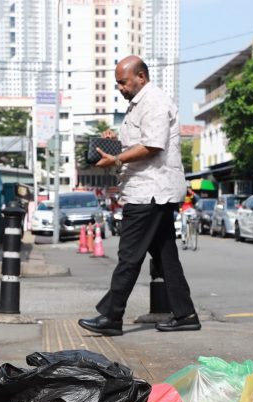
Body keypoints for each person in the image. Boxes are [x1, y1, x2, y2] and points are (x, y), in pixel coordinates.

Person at [78, 55, 200, 337]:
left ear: (141, 77)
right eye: (117, 83)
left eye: (123, 82)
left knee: (129, 255)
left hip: (149, 192)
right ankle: (186, 314)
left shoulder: (154, 102)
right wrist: (114, 142)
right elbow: (139, 142)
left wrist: (117, 159)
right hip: (150, 190)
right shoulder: (139, 105)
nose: (119, 87)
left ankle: (111, 316)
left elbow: (153, 145)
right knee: (166, 256)